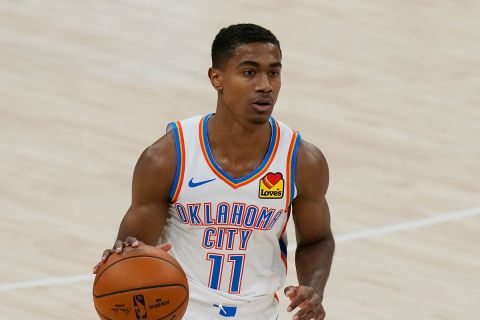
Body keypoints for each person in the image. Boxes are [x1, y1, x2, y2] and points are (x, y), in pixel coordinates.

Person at [93, 23, 335, 320]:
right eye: (249, 72)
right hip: (179, 309)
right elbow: (133, 248)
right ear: (216, 78)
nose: (265, 85)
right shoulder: (167, 157)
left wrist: (314, 289)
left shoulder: (302, 161)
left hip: (258, 312)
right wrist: (122, 258)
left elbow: (317, 239)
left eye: (273, 72)